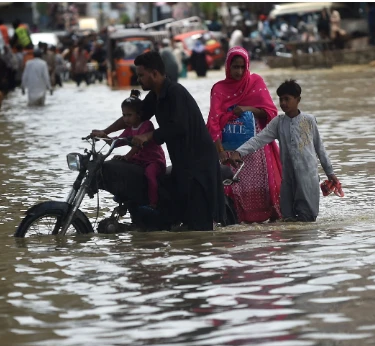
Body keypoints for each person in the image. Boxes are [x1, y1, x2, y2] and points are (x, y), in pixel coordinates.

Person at [90, 51, 225, 231]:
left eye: (141, 75)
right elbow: (135, 116)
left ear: (154, 73)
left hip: (198, 163)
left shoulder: (175, 93)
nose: (138, 79)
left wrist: (148, 136)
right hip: (181, 162)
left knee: (198, 224)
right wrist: (105, 132)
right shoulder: (155, 96)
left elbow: (179, 127)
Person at [223, 80, 339, 223]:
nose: (283, 103)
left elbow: (320, 149)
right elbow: (258, 139)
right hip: (288, 178)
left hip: (308, 178)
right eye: (281, 99)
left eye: (287, 99)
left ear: (298, 100)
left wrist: (330, 173)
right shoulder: (279, 122)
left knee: (307, 219)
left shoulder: (309, 121)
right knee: (287, 218)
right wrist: (239, 152)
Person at [206, 46, 282, 223]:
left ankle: (264, 220)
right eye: (235, 67)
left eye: (242, 67)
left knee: (260, 186)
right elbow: (213, 122)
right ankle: (237, 220)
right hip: (230, 149)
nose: (239, 72)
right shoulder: (219, 89)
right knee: (234, 185)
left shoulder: (256, 82)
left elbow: (270, 112)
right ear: (228, 67)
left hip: (256, 148)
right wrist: (220, 152)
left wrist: (247, 109)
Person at [114, 90, 166, 209]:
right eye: (124, 115)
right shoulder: (130, 128)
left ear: (138, 114)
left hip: (154, 160)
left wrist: (127, 156)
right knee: (120, 167)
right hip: (139, 160)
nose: (125, 119)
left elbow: (138, 145)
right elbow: (118, 140)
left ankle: (153, 204)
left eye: (129, 115)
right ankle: (122, 196)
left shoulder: (147, 125)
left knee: (150, 174)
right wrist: (102, 136)